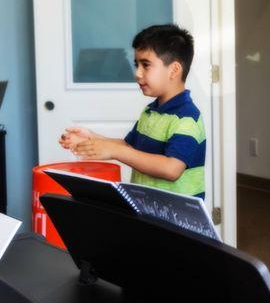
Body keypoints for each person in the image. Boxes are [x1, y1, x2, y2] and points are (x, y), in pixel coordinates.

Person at [59, 24, 206, 198]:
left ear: (173, 70)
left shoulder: (187, 118)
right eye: (137, 64)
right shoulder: (151, 111)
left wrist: (115, 152)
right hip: (147, 210)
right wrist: (92, 138)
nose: (137, 73)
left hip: (177, 220)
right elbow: (130, 146)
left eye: (146, 65)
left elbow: (171, 169)